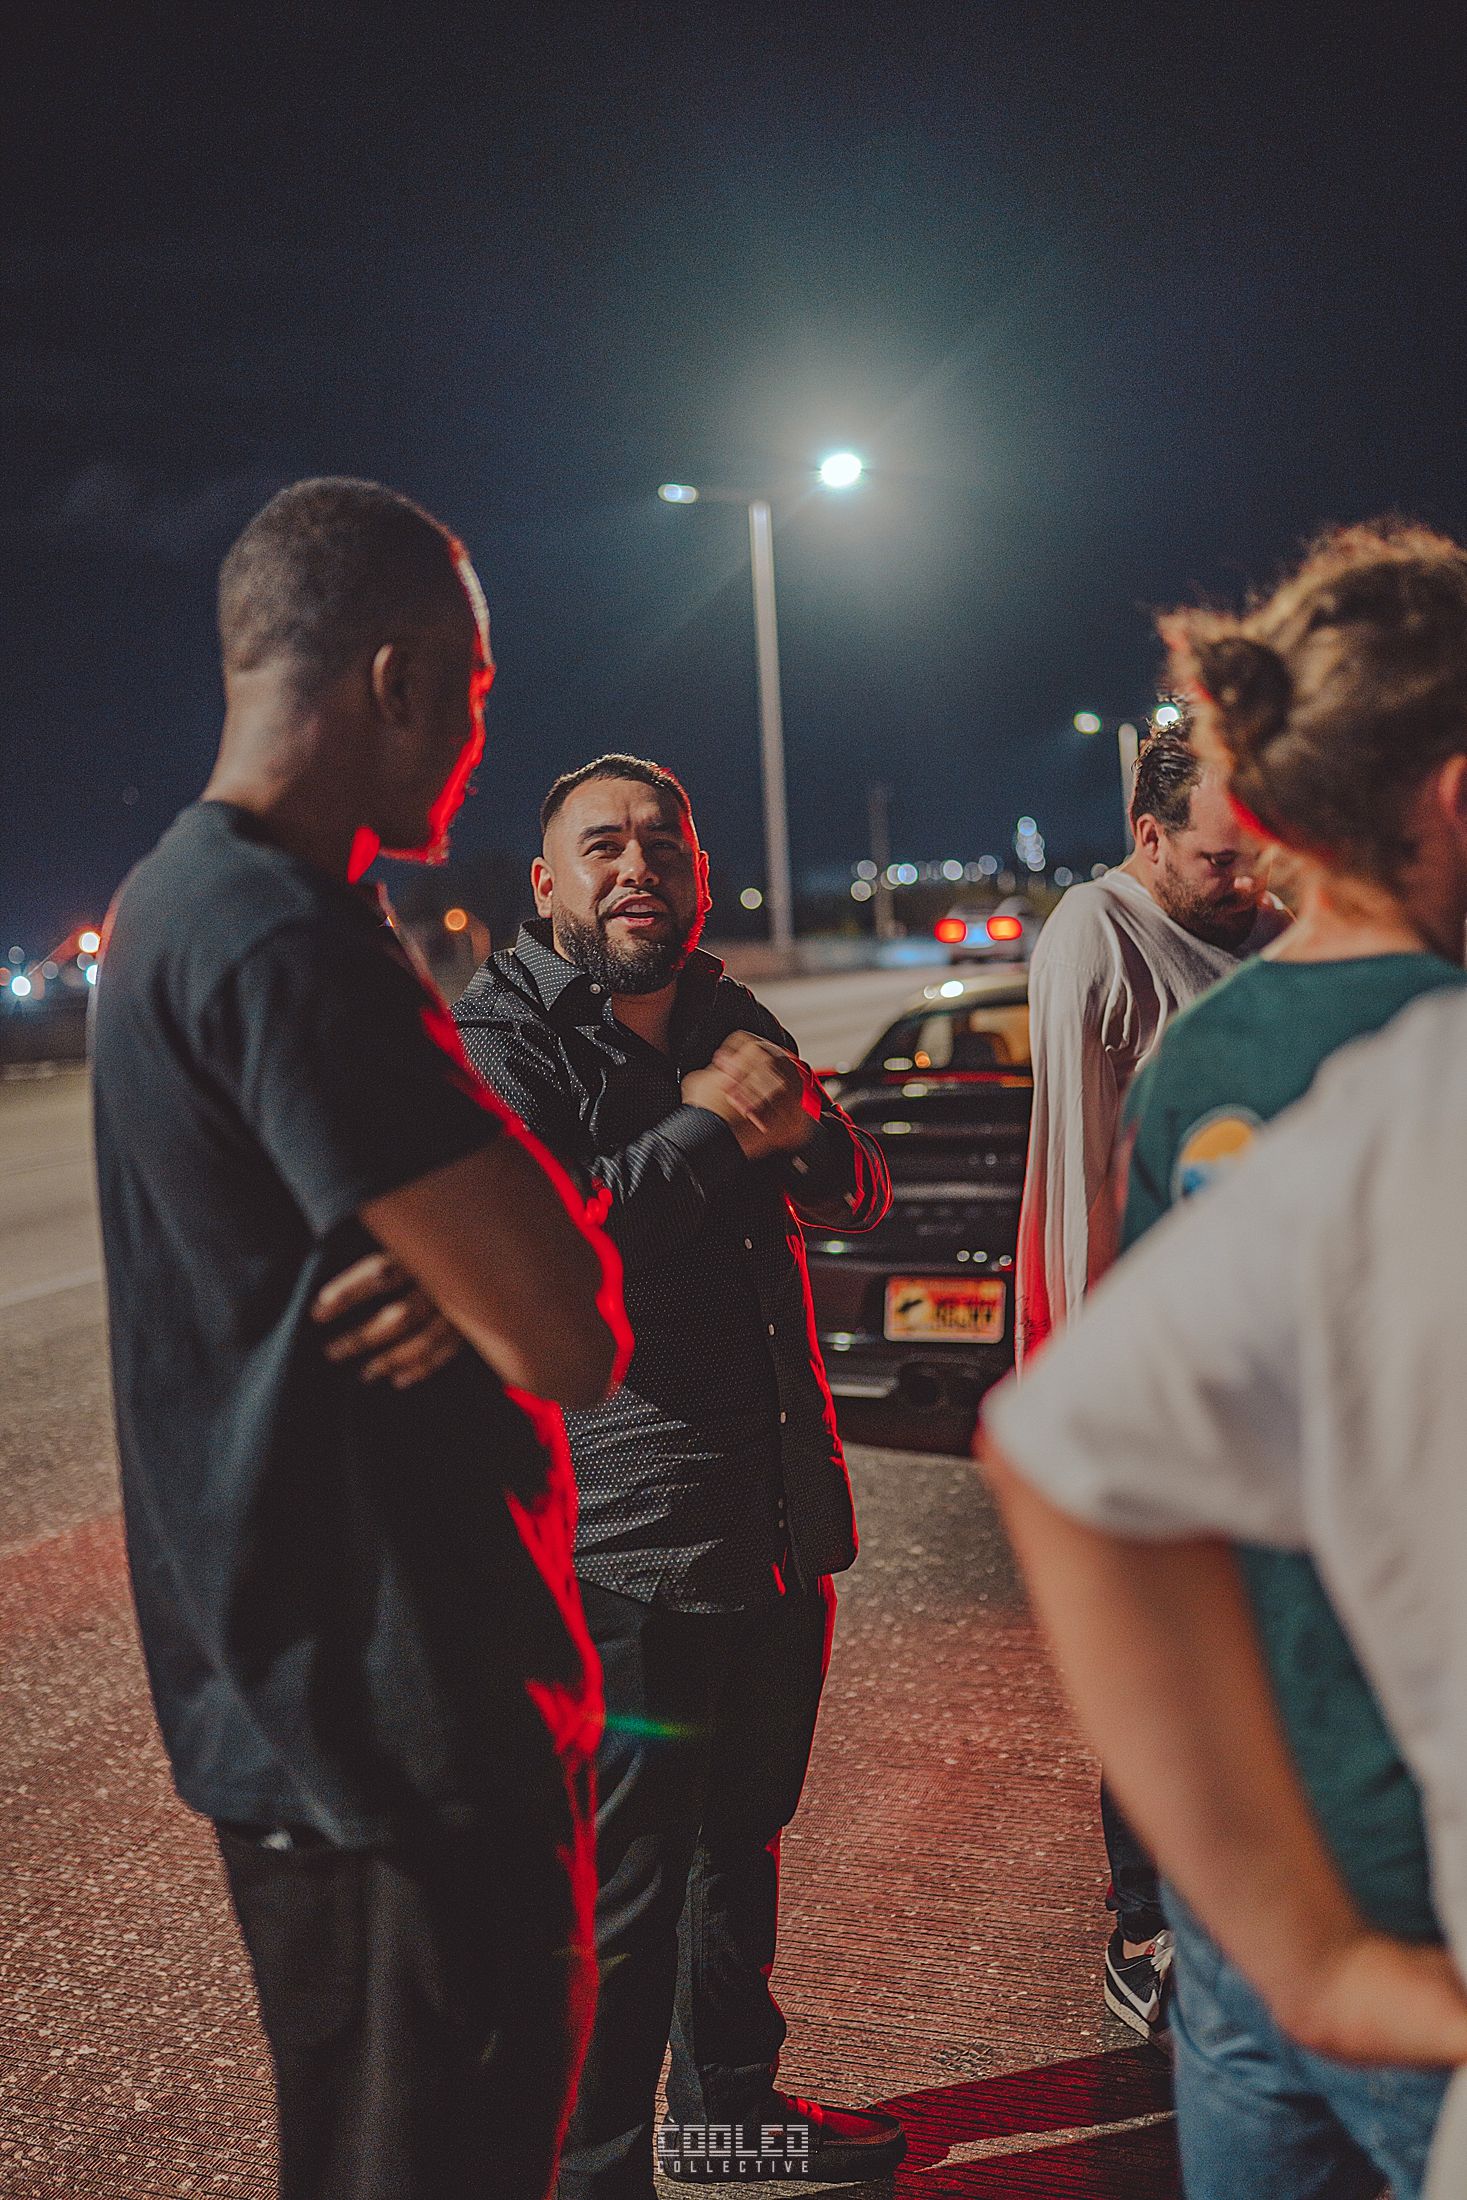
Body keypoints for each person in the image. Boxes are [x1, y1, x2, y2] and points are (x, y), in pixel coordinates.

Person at [91, 479, 628, 2200]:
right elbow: (566, 1332)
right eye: (470, 691)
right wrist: (499, 1252)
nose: (475, 737)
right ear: (396, 678)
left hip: (299, 1713)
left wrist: (461, 1244)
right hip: (404, 1731)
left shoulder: (173, 902)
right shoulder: (286, 939)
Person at [983, 520, 1467, 2198]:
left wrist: (1255, 1914)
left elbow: (1068, 1454)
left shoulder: (1227, 1047)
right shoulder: (1417, 1054)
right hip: (1415, 1888)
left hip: (1263, 1879)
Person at [453, 755, 905, 2198]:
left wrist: (804, 1132)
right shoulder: (502, 1040)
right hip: (620, 1542)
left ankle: (730, 2123)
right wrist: (716, 1124)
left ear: (700, 874)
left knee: (741, 1844)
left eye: (662, 841)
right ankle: (598, 2175)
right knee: (623, 1895)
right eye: (602, 846)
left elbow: (856, 1191)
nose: (636, 865)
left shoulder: (728, 1012)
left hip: (770, 1515)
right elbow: (557, 1246)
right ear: (546, 884)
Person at [1014, 723, 1289, 2038]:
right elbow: (1075, 1173)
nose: (1247, 882)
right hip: (1148, 1375)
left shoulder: (1272, 927)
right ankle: (1144, 1931)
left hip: (1268, 1377)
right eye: (1221, 860)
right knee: (1166, 1671)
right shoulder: (1097, 934)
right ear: (1149, 837)